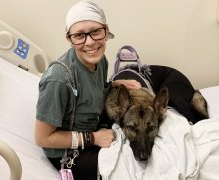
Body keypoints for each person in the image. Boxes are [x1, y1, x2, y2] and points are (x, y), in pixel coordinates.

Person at [34, 1, 140, 180]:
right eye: (79, 35)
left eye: (96, 31)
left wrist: (113, 84)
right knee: (131, 170)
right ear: (69, 39)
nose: (90, 42)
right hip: (67, 151)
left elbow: (91, 93)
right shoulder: (58, 80)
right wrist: (93, 138)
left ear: (106, 31)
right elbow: (43, 138)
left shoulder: (100, 61)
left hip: (94, 125)